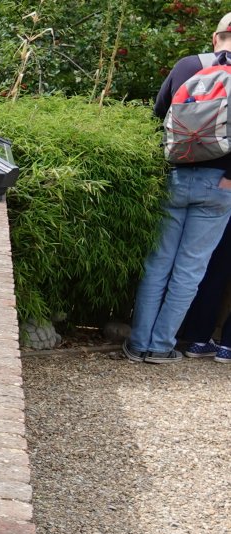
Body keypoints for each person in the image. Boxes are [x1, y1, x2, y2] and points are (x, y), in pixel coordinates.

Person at [126, 13, 231, 364]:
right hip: (220, 185)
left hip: (175, 176)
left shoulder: (188, 65)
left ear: (216, 38)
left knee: (158, 263)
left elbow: (157, 116)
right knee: (190, 269)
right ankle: (160, 347)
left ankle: (137, 343)